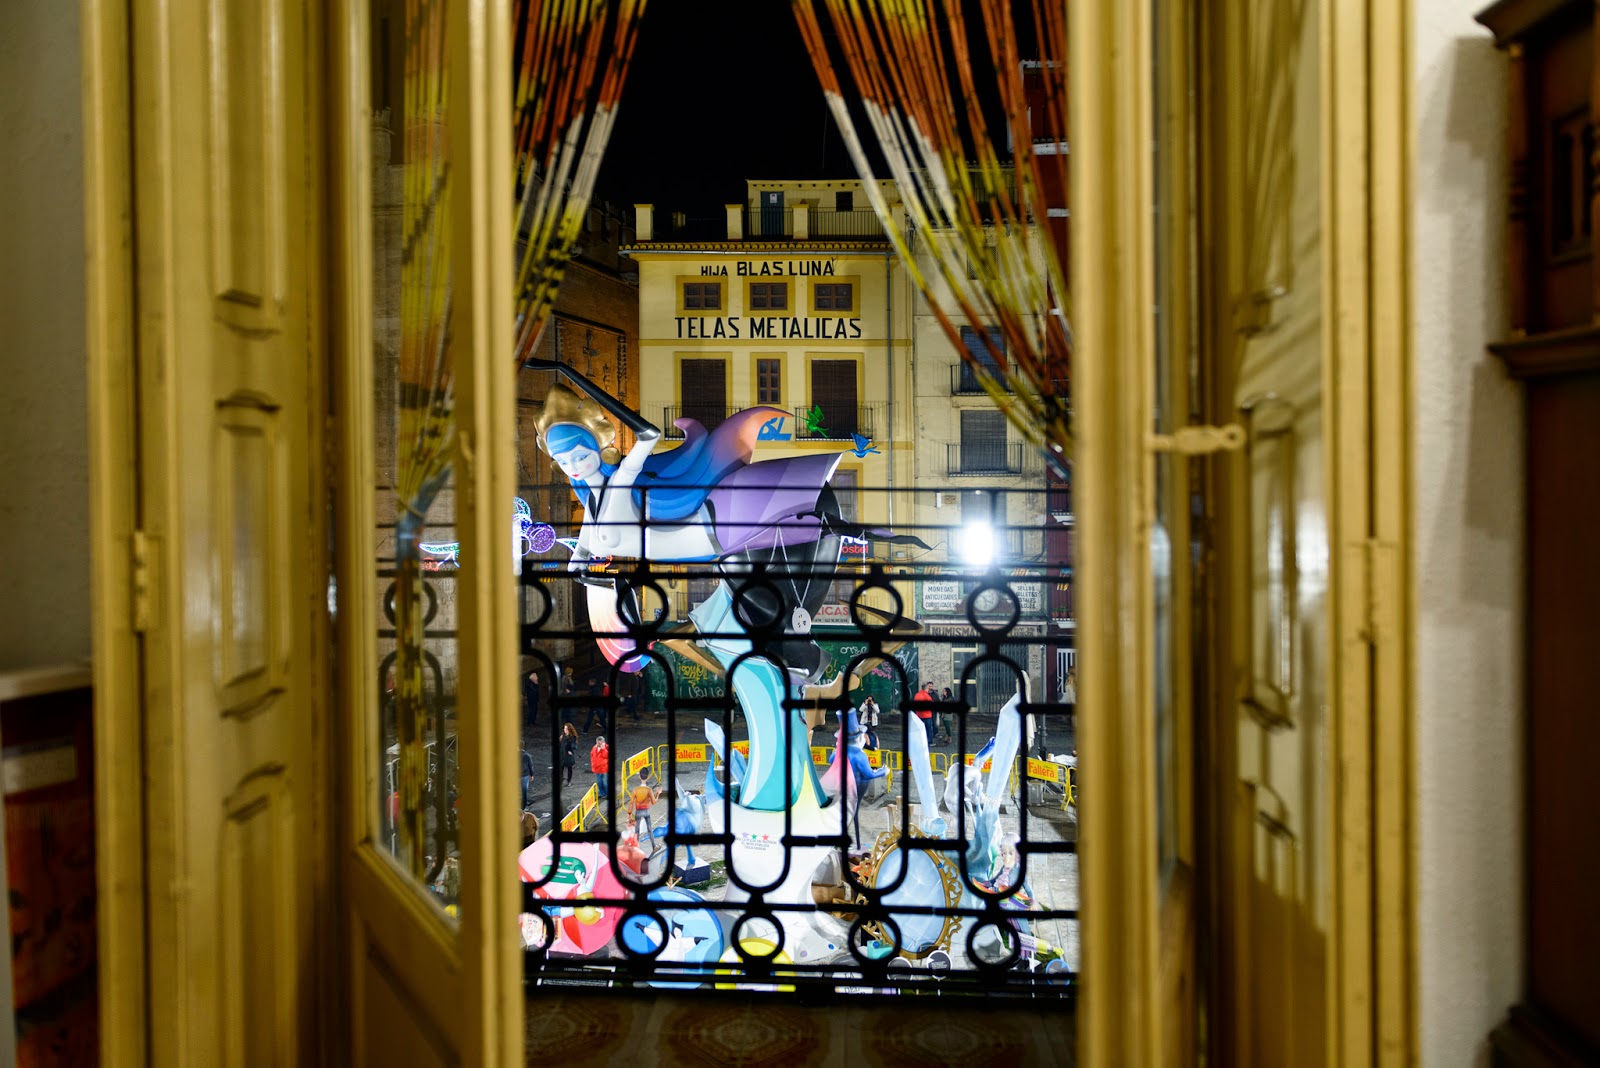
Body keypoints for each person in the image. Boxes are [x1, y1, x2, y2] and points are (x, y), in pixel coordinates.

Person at [629, 767, 661, 854]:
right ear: (648, 777)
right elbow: (654, 802)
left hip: (638, 811)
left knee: (637, 830)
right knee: (650, 829)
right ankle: (654, 846)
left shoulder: (635, 790)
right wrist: (658, 794)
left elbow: (631, 803)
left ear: (639, 777)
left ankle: (635, 847)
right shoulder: (649, 790)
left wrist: (629, 814)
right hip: (646, 811)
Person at [590, 736, 610, 801]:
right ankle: (602, 794)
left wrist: (603, 749)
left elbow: (606, 756)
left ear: (603, 742)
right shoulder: (594, 747)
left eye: (599, 743)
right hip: (597, 769)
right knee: (599, 782)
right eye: (597, 743)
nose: (598, 744)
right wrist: (593, 765)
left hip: (604, 769)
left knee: (605, 783)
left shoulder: (607, 748)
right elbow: (592, 756)